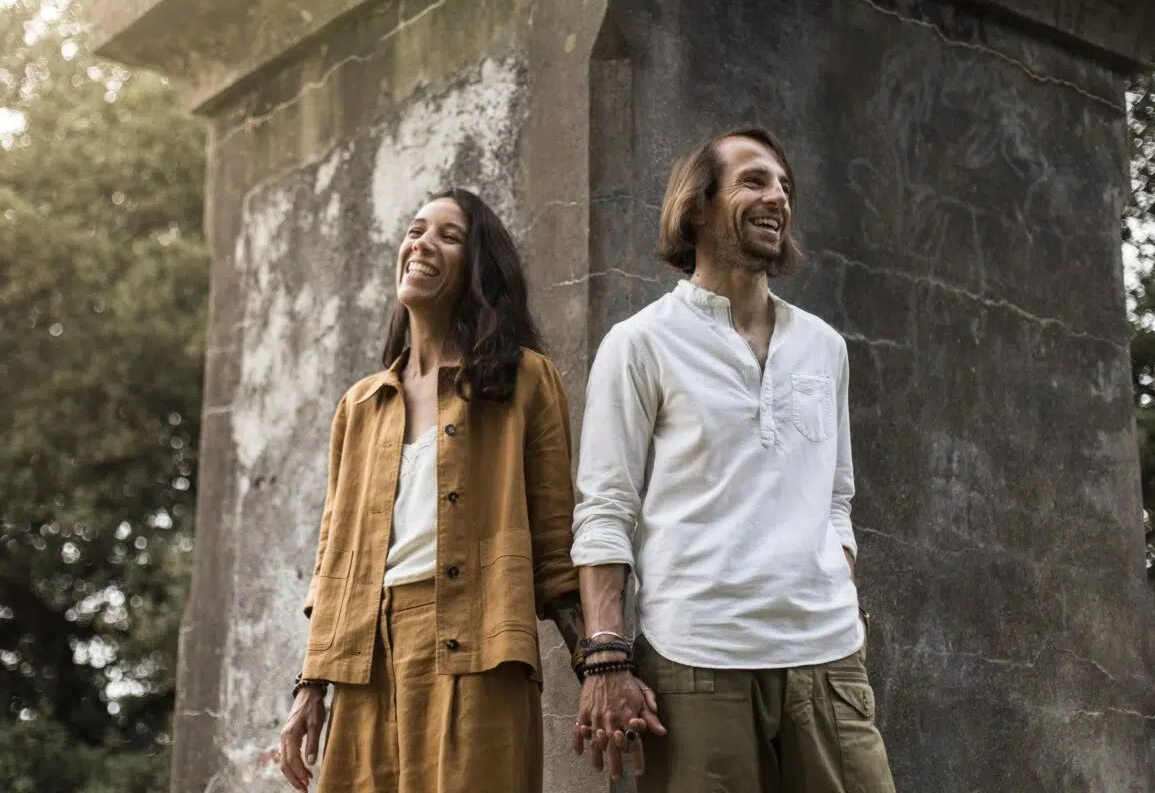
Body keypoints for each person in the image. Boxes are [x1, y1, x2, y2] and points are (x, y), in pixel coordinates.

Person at [570, 126, 896, 792]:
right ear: (697, 207)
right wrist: (606, 657)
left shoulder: (825, 347)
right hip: (697, 662)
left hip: (826, 660)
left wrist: (839, 586)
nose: (777, 196)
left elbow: (836, 499)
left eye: (783, 185)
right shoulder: (640, 345)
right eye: (754, 181)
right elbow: (606, 509)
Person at [278, 188, 586, 792]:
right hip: (365, 659)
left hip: (479, 647)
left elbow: (556, 546)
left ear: (478, 267)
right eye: (416, 230)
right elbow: (332, 563)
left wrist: (601, 665)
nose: (421, 244)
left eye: (448, 235)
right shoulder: (361, 406)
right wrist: (309, 686)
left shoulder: (523, 379)